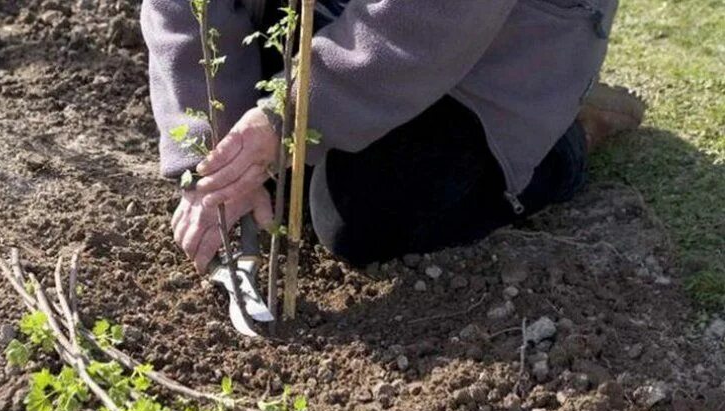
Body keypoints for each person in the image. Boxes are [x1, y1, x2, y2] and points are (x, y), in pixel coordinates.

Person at [141, 0, 646, 272]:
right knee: (270, 190)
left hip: (494, 39)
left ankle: (565, 132)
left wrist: (285, 115)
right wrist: (213, 152)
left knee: (360, 214)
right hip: (344, 16)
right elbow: (189, 10)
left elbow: (439, 16)